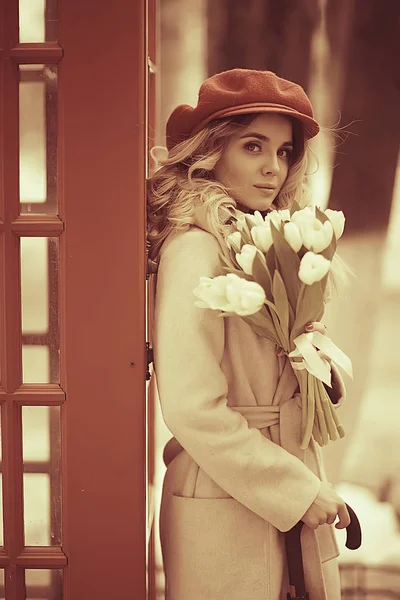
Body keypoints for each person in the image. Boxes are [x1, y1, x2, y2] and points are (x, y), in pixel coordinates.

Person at [147, 68, 351, 600]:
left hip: (284, 473)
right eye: (253, 147)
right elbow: (193, 407)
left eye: (284, 152)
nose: (272, 169)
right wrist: (297, 491)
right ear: (212, 152)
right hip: (227, 489)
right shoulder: (195, 248)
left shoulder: (269, 240)